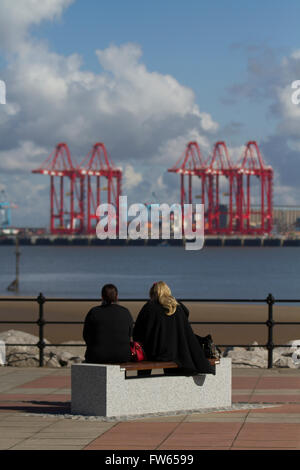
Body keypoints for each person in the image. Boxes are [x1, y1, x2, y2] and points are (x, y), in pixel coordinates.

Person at [133, 281, 215, 376]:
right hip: (178, 351)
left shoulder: (149, 307)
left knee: (144, 355)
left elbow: (137, 333)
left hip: (156, 353)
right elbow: (186, 316)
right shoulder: (177, 307)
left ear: (153, 294)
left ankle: (142, 381)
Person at [83, 284, 133, 364]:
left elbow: (86, 336)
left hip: (97, 355)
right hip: (123, 356)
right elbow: (130, 336)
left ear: (102, 297)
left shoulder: (94, 312)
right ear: (117, 296)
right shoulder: (125, 312)